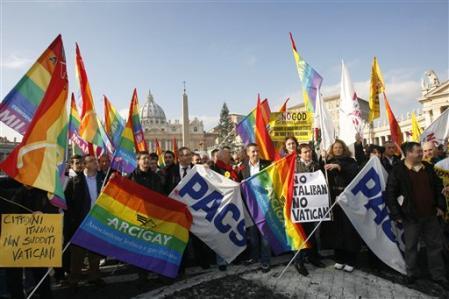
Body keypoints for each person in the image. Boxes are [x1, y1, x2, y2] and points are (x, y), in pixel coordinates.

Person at [386, 142, 448, 288]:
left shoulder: (428, 168)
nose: (421, 154)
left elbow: (439, 187)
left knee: (435, 246)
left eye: (421, 151)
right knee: (411, 247)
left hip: (431, 215)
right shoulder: (398, 170)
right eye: (418, 151)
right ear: (408, 153)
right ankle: (411, 273)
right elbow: (390, 193)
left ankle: (438, 275)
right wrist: (397, 214)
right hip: (410, 217)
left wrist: (440, 206)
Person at [5, 185, 58, 299]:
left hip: (36, 239)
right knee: (14, 276)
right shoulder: (8, 190)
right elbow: (7, 210)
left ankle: (45, 295)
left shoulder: (43, 191)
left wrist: (44, 213)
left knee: (40, 273)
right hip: (13, 240)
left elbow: (54, 210)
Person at [64, 155, 105, 288]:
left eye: (96, 161)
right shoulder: (76, 180)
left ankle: (94, 276)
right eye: (92, 161)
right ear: (85, 164)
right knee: (77, 253)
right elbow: (67, 202)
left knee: (95, 251)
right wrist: (72, 220)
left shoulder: (103, 178)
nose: (96, 163)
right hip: (80, 221)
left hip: (97, 220)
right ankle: (74, 279)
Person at [321, 139, 360, 273]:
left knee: (349, 231)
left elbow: (354, 172)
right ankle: (339, 258)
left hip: (347, 199)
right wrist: (322, 159)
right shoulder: (328, 161)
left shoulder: (350, 161)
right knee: (336, 230)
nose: (337, 149)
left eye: (340, 147)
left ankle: (351, 260)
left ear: (344, 149)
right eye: (335, 147)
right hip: (334, 199)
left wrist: (339, 167)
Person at [127, 151, 165, 281]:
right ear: (138, 161)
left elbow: (160, 195)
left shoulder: (155, 177)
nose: (146, 161)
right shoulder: (131, 177)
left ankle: (157, 270)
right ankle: (142, 274)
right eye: (143, 159)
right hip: (138, 216)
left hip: (153, 216)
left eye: (148, 159)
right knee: (141, 246)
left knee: (154, 245)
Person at [292, 142, 326, 276]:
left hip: (312, 206)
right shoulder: (294, 166)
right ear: (300, 154)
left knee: (312, 234)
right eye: (305, 152)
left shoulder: (316, 165)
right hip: (299, 207)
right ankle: (298, 261)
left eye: (310, 151)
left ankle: (312, 257)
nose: (308, 154)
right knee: (299, 235)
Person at [238, 143, 272, 273]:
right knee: (252, 236)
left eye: (257, 151)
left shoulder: (268, 164)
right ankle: (254, 257)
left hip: (265, 206)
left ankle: (265, 261)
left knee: (265, 236)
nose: (256, 154)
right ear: (247, 153)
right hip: (249, 206)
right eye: (253, 152)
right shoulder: (242, 168)